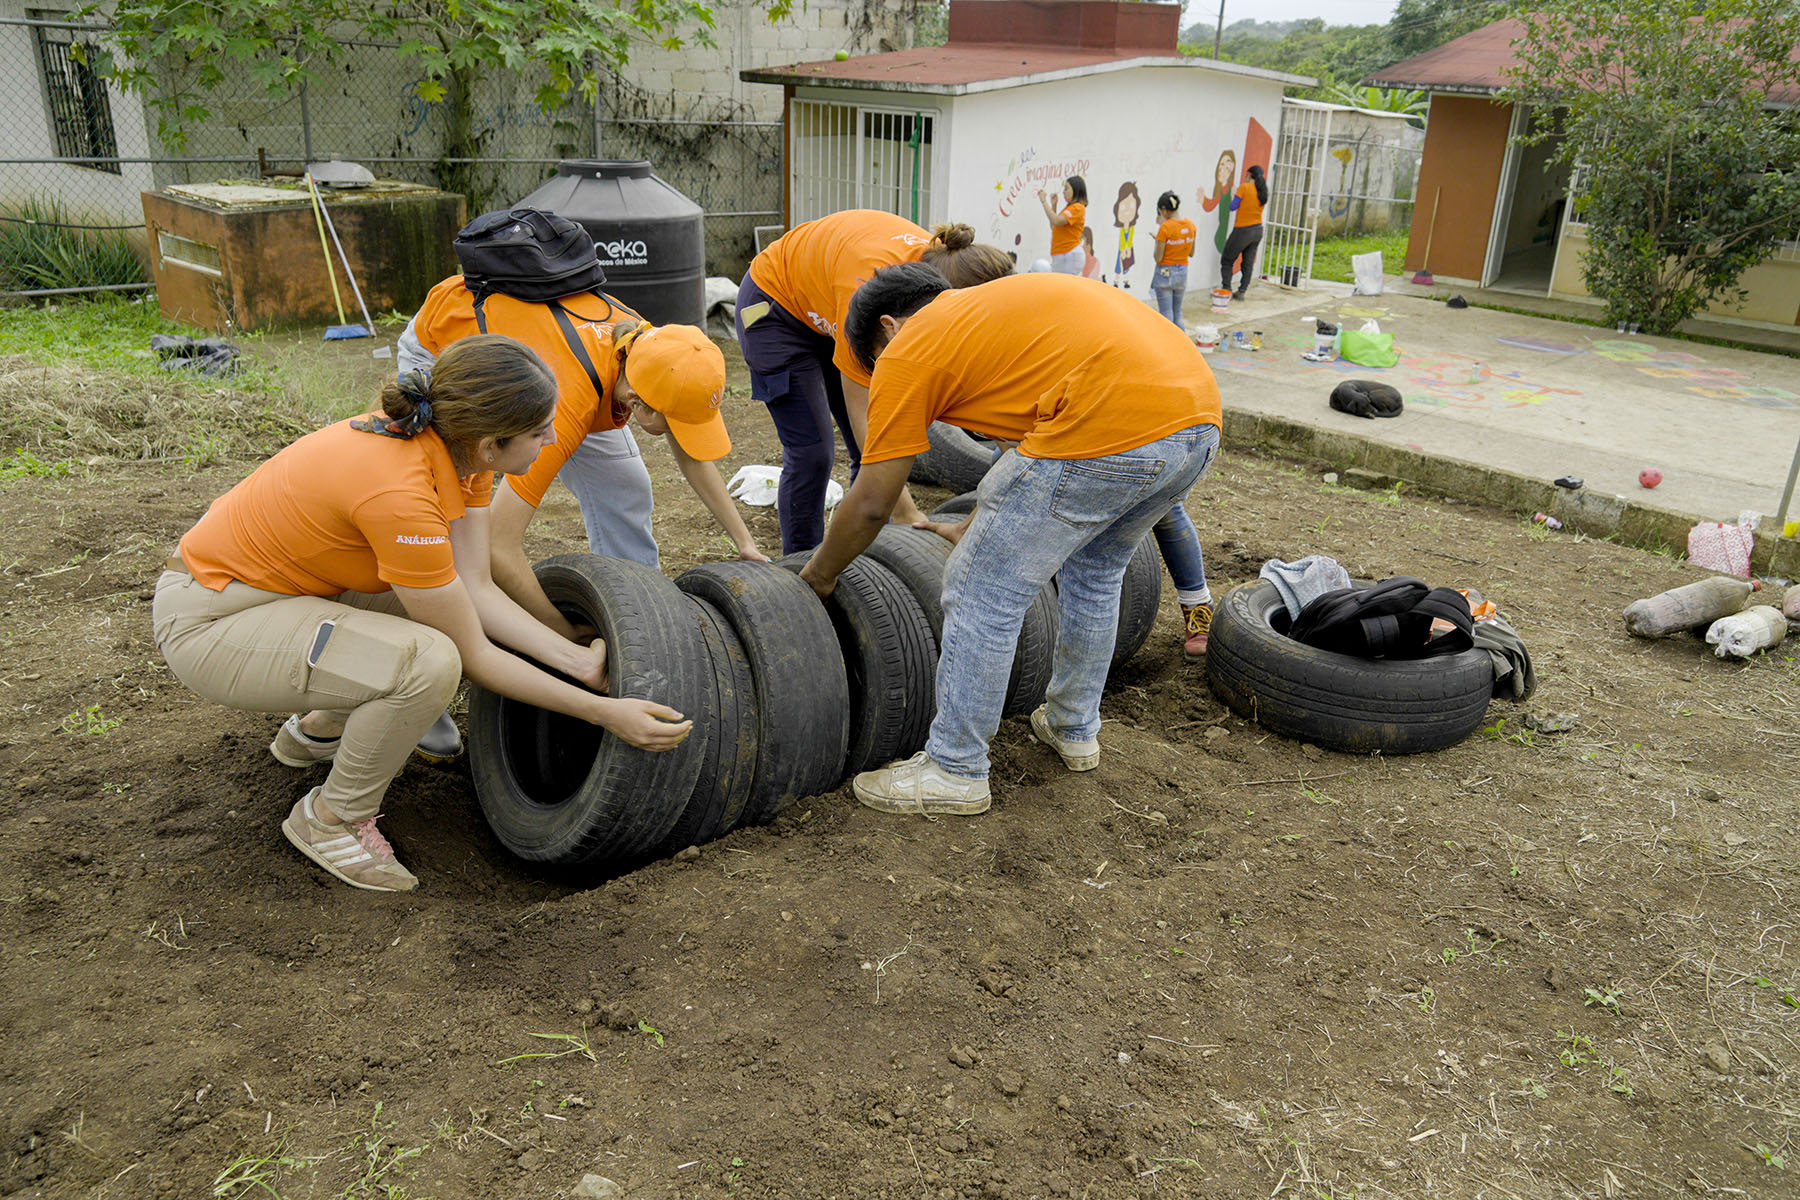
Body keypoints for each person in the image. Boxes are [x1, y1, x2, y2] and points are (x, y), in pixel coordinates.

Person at [152, 336, 694, 892]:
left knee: (445, 620)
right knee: (430, 661)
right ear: (491, 444)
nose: (552, 439)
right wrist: (602, 712)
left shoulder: (457, 449)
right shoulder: (399, 491)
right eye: (538, 432)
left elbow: (477, 588)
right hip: (211, 620)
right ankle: (330, 819)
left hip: (288, 594)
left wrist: (578, 662)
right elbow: (474, 654)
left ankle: (319, 729)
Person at [798, 266, 1221, 816]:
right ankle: (1074, 726)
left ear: (889, 328)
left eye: (875, 364)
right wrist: (978, 526)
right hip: (1197, 422)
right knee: (1094, 573)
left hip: (1107, 426)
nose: (883, 376)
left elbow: (875, 500)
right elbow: (1017, 450)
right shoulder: (991, 317)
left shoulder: (912, 345)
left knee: (981, 592)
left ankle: (954, 769)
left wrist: (821, 573)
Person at [401, 271, 767, 632]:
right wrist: (562, 630)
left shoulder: (654, 347)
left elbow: (692, 456)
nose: (678, 436)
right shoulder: (566, 404)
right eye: (674, 425)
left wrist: (744, 542)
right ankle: (456, 614)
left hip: (564, 363)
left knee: (626, 485)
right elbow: (500, 543)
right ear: (639, 403)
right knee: (457, 508)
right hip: (442, 342)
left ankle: (643, 607)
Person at [736, 210, 1013, 554]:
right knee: (813, 452)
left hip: (828, 296)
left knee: (863, 458)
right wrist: (907, 515)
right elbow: (868, 421)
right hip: (776, 307)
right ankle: (801, 567)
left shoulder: (942, 271)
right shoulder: (869, 296)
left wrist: (1013, 448)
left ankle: (872, 559)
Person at [1150, 190, 1196, 330]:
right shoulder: (1190, 225)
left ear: (1164, 210)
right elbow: (1191, 253)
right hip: (1182, 273)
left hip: (1165, 273)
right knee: (1178, 313)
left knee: (1166, 315)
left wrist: (1158, 241)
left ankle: (1167, 347)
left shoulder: (1165, 228)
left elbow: (1158, 257)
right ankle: (1182, 345)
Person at [1222, 164, 1267, 299]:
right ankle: (1242, 291)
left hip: (1243, 230)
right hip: (1257, 230)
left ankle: (1226, 289)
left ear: (1248, 175)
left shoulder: (1244, 187)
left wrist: (1232, 195)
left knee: (1227, 259)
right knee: (1248, 262)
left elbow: (1232, 207)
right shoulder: (1263, 191)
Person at [1037, 176, 1087, 276]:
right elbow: (1054, 226)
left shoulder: (1077, 208)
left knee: (1065, 287)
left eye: (1066, 188)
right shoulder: (1069, 208)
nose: (1063, 192)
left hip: (1069, 253)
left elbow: (1056, 220)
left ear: (1076, 190)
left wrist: (1044, 201)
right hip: (1062, 254)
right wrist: (1054, 206)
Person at [1112, 181, 1141, 286]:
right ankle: (1116, 281)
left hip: (1128, 248)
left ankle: (1126, 281)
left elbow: (1130, 238)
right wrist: (1123, 250)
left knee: (1127, 266)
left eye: (1132, 205)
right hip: (1122, 249)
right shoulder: (1122, 228)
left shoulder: (1131, 228)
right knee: (1119, 266)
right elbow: (1122, 239)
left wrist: (1128, 249)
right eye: (1123, 207)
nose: (1128, 211)